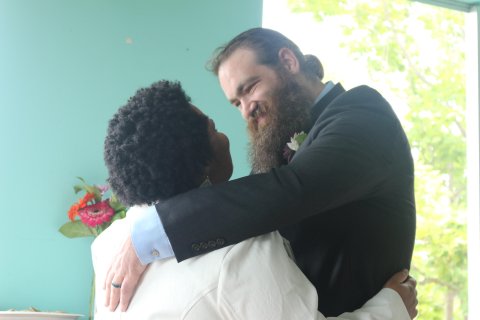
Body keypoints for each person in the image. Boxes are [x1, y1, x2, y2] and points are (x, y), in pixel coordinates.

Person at [104, 28, 417, 317]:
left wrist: (155, 230)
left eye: (250, 88)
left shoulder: (364, 113)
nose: (246, 110)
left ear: (288, 61)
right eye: (236, 103)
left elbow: (291, 190)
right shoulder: (280, 141)